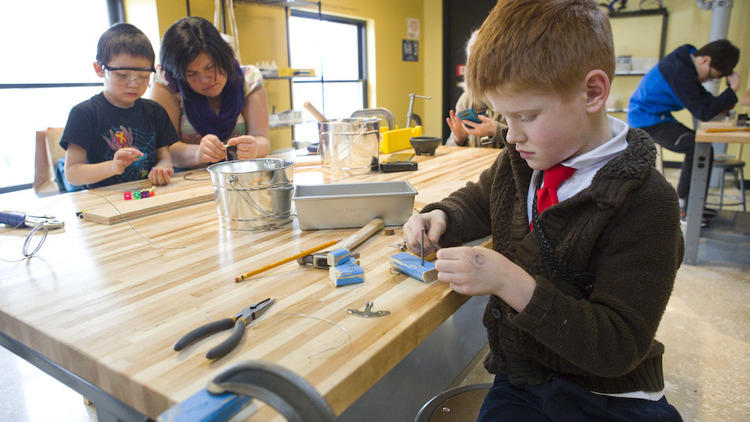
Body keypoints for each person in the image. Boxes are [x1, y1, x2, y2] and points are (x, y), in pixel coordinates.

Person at [402, 1, 684, 420]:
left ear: (592, 92)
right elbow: (480, 199)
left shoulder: (646, 202)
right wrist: (441, 215)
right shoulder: (522, 160)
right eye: (505, 117)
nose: (511, 135)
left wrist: (505, 279)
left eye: (527, 116)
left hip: (607, 395)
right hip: (524, 375)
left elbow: (618, 346)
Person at [628, 39, 740, 217]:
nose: (708, 80)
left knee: (703, 149)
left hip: (661, 117)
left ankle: (693, 205)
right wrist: (733, 89)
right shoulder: (680, 71)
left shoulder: (687, 60)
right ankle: (683, 206)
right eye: (712, 76)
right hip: (647, 121)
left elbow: (704, 101)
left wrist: (725, 99)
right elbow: (703, 111)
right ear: (705, 60)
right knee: (697, 148)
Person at [60, 23, 176, 189]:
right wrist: (113, 167)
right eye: (122, 75)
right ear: (99, 69)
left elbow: (164, 158)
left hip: (148, 195)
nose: (134, 84)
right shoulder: (84, 114)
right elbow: (72, 173)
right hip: (102, 202)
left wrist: (162, 169)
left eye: (143, 76)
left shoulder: (155, 111)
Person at [149, 16, 271, 168]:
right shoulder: (167, 84)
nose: (204, 80)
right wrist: (198, 153)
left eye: (210, 67)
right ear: (177, 74)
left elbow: (262, 138)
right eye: (191, 73)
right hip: (189, 182)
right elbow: (165, 150)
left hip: (242, 176)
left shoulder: (249, 78)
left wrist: (255, 147)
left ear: (224, 57)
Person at [446, 30, 505, 148]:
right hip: (476, 164)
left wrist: (496, 130)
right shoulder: (466, 99)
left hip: (507, 165)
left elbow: (529, 143)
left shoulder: (514, 97)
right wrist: (458, 139)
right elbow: (449, 148)